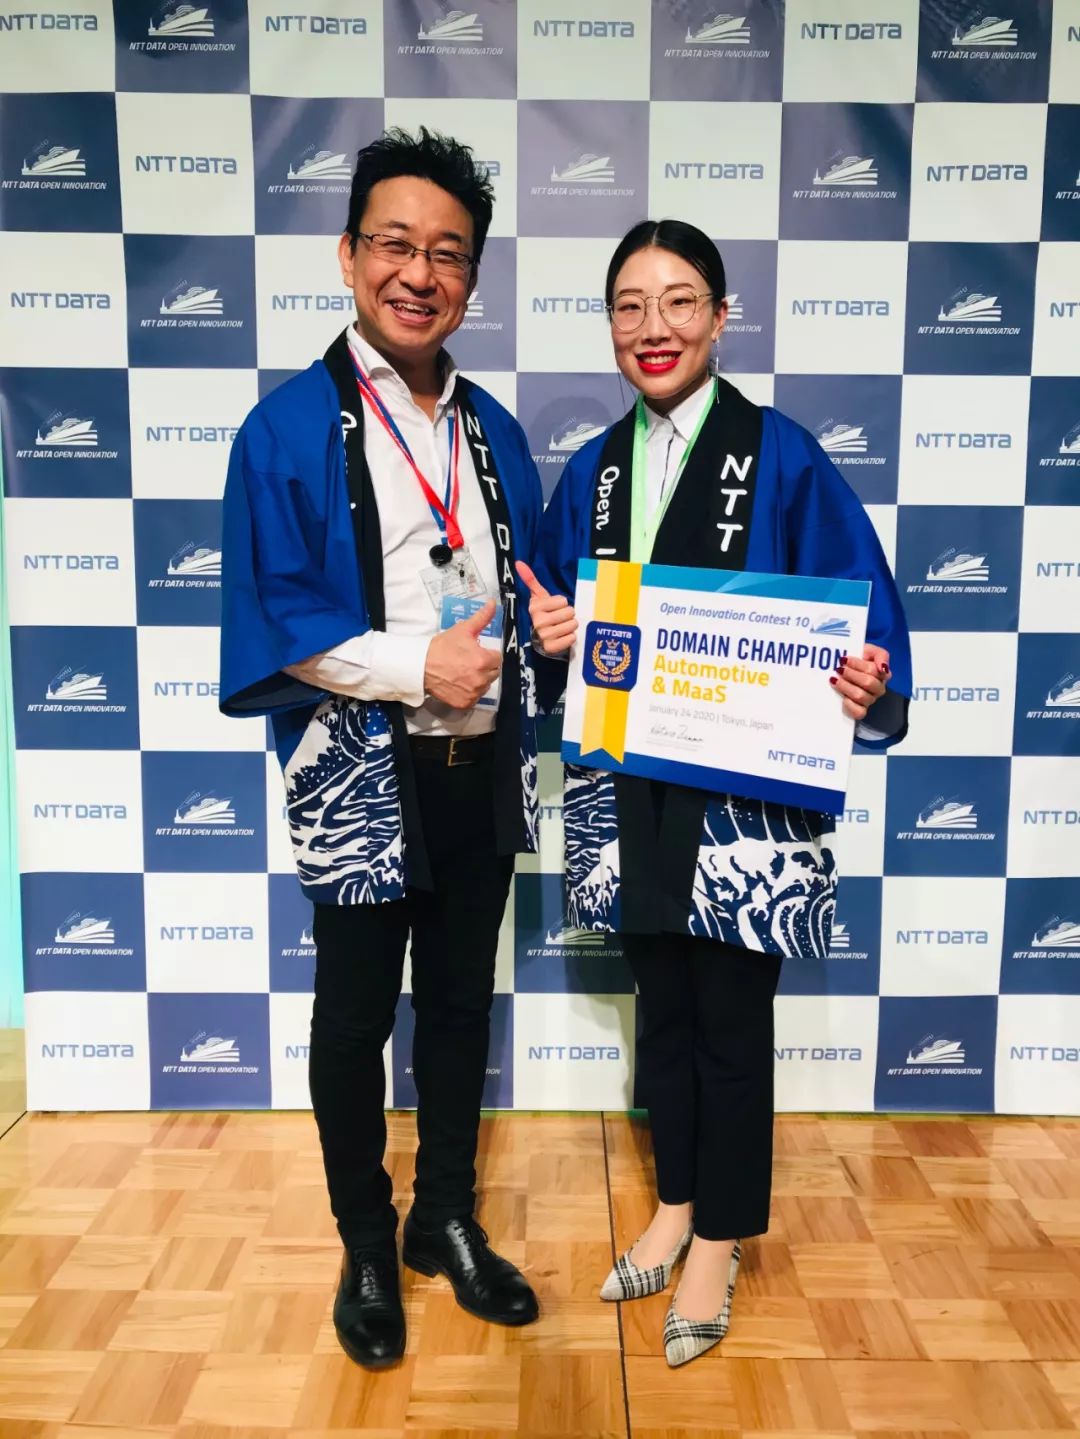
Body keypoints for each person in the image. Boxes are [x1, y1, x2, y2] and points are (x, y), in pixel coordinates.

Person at [518, 219, 911, 1368]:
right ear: (610, 324)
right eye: (630, 305)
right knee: (665, 1010)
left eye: (680, 300)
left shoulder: (780, 455)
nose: (655, 327)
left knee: (733, 1020)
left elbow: (860, 615)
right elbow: (552, 623)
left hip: (746, 802)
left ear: (722, 316)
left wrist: (866, 674)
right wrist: (551, 632)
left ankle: (719, 1239)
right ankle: (678, 1200)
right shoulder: (595, 470)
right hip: (628, 792)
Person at [219, 128, 552, 1369]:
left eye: (448, 252)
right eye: (396, 244)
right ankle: (366, 1241)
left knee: (461, 1004)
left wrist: (548, 627)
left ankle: (442, 1218)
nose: (420, 272)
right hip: (362, 774)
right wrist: (421, 667)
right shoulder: (286, 428)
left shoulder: (493, 429)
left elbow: (525, 586)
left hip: (481, 764)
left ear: (473, 276)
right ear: (351, 254)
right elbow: (281, 619)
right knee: (354, 1018)